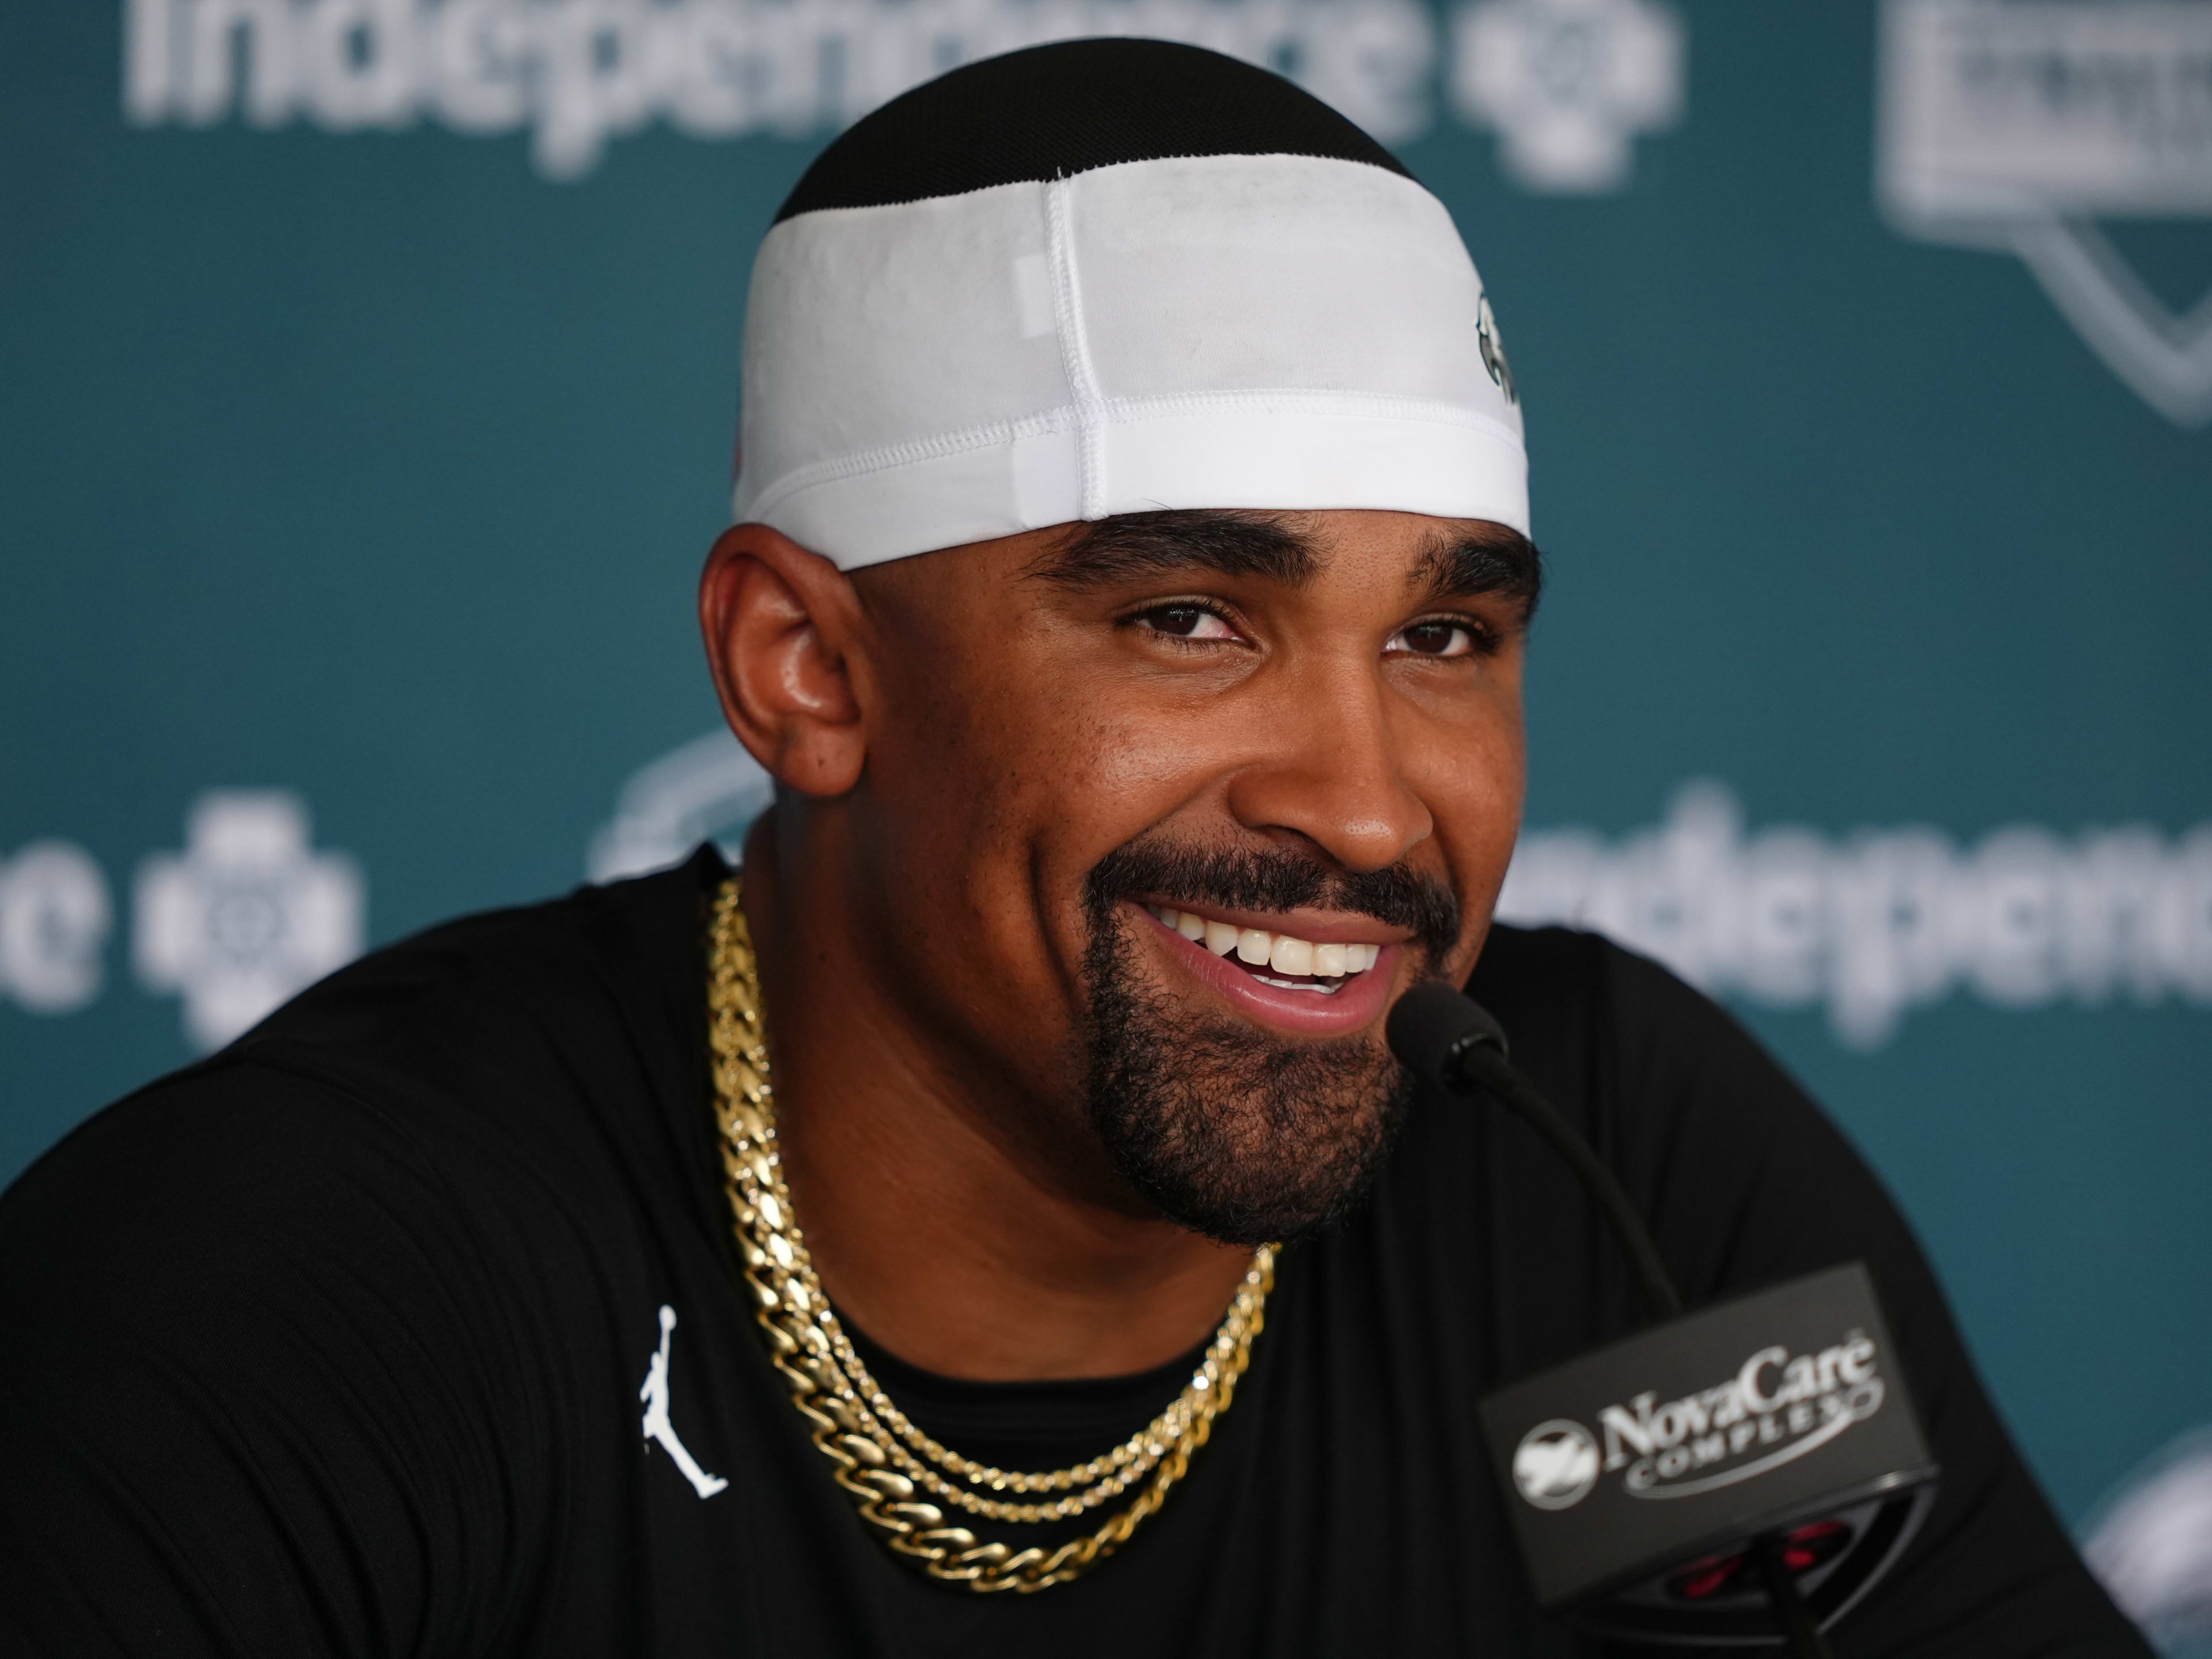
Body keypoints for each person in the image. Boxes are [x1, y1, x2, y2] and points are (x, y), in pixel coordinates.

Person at [0, 38, 2146, 1657]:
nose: (1373, 802)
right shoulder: (325, 1276)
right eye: (1190, 621)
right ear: (806, 670)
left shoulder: (1600, 1181)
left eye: (1443, 634)